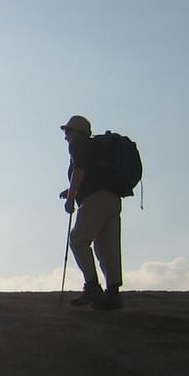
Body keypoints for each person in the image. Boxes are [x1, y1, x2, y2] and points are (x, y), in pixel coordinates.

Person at [61, 115, 123, 310]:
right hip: (113, 199)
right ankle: (112, 294)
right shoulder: (96, 149)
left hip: (95, 200)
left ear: (79, 132)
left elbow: (79, 171)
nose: (66, 136)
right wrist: (71, 190)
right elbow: (90, 174)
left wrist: (71, 198)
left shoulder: (79, 145)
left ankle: (92, 287)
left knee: (77, 240)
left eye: (68, 131)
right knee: (107, 247)